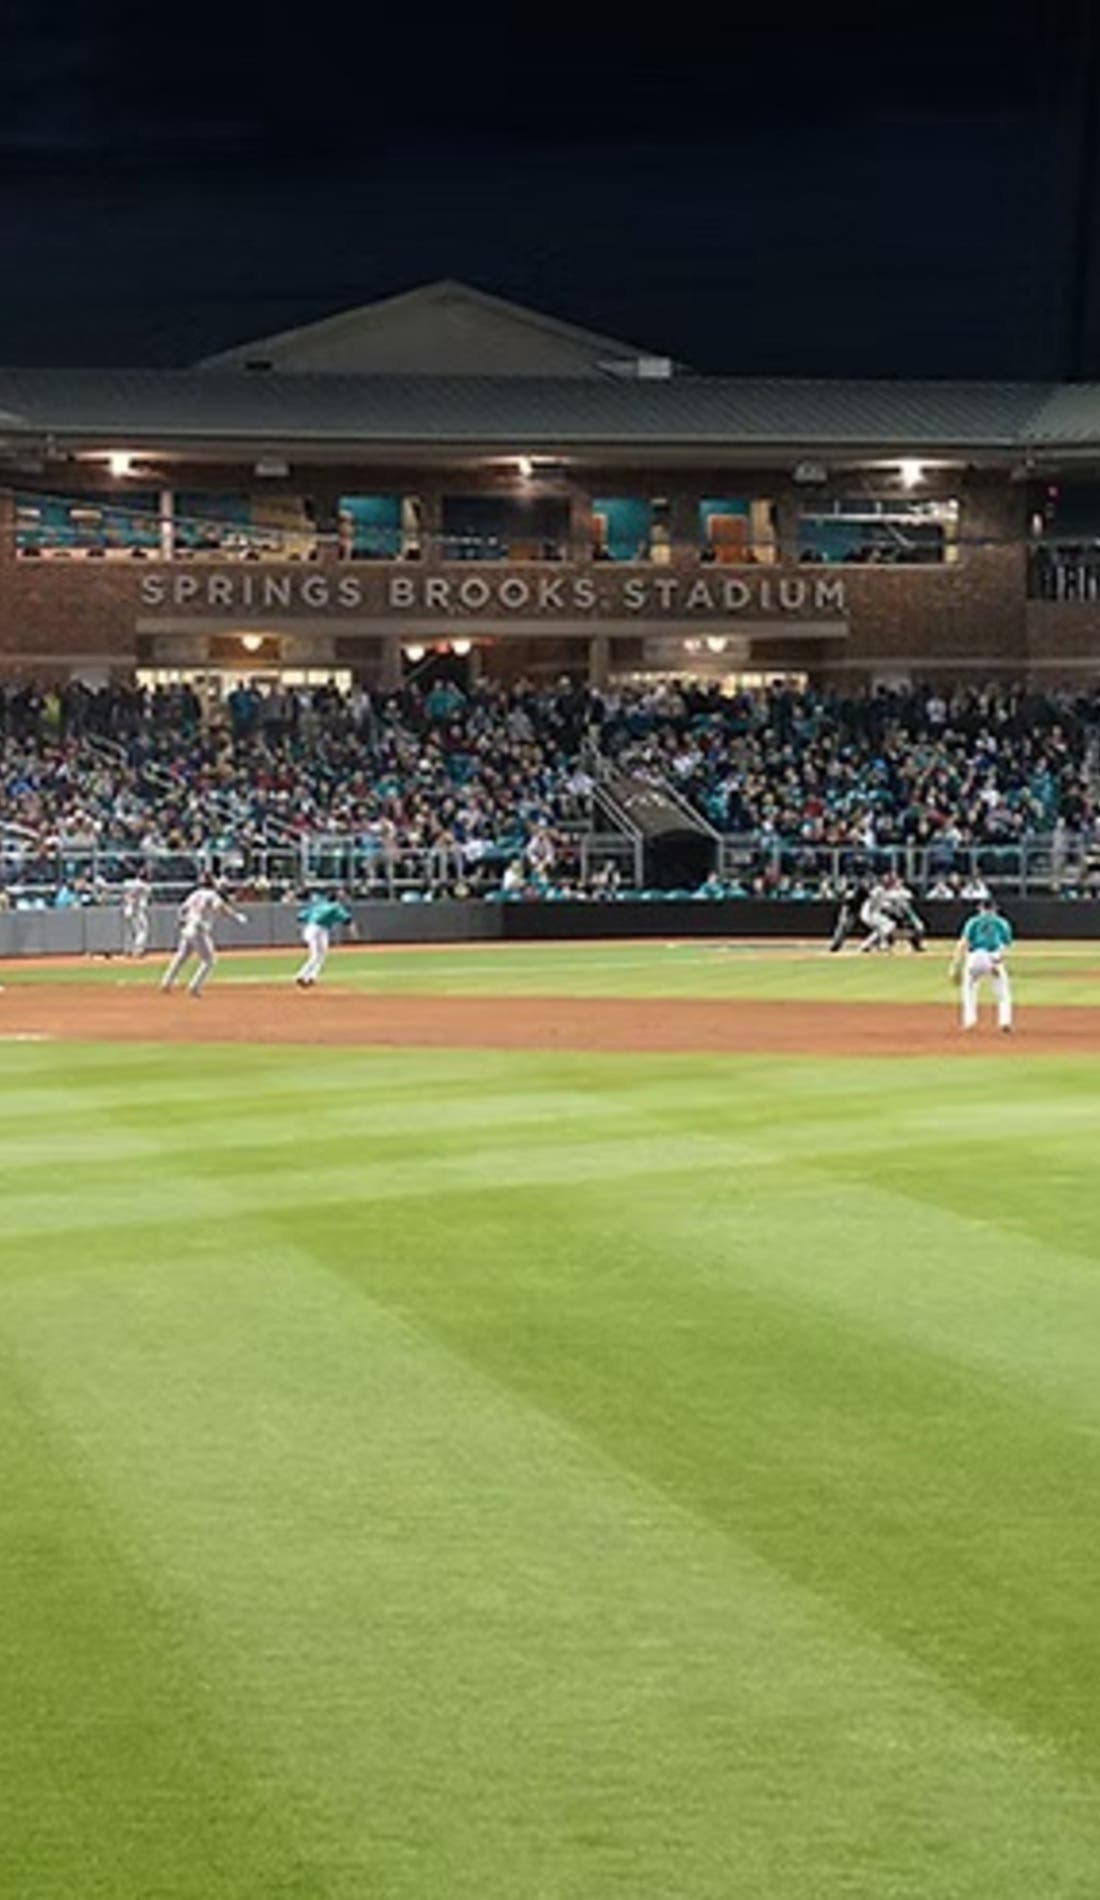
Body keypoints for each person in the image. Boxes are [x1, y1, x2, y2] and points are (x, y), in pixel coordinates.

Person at [160, 876, 247, 997]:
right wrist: (236, 916)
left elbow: (183, 909)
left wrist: (181, 921)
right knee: (209, 960)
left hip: (188, 927)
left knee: (181, 957)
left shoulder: (195, 894)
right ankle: (194, 987)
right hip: (199, 928)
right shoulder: (211, 895)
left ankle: (166, 982)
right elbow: (220, 908)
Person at [949, 895, 1013, 1032]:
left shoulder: (973, 921)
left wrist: (955, 964)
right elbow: (1005, 946)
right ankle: (1005, 1021)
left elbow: (963, 943)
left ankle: (969, 1021)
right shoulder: (1002, 922)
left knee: (969, 989)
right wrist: (997, 962)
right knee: (1003, 992)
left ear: (980, 909)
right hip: (993, 956)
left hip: (975, 957)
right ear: (995, 909)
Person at [295, 890, 354, 988]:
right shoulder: (335, 906)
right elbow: (347, 919)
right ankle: (301, 975)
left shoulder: (318, 904)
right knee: (317, 955)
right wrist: (352, 929)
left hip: (314, 928)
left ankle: (311, 977)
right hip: (317, 929)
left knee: (321, 954)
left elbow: (301, 916)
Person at [121, 869, 152, 958]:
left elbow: (125, 886)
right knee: (142, 930)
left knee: (129, 931)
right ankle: (138, 950)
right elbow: (145, 898)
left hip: (127, 909)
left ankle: (128, 950)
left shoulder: (128, 883)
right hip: (137, 910)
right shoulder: (146, 886)